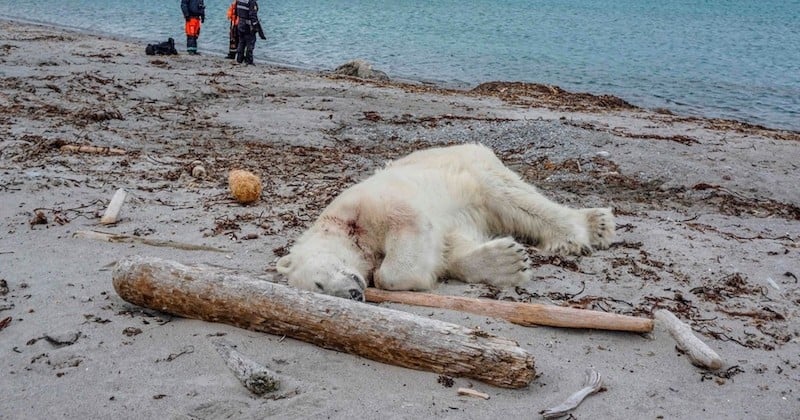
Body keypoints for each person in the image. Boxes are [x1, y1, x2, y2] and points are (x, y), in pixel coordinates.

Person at [235, 0, 266, 65]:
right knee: (250, 43)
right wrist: (256, 27)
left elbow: (236, 12)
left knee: (241, 42)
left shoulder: (239, 1)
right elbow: (253, 16)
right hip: (248, 26)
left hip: (240, 24)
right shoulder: (251, 2)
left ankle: (239, 59)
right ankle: (249, 60)